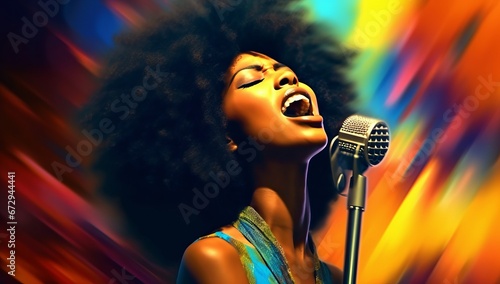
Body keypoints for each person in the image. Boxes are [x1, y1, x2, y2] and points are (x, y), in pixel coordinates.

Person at [80, 0, 355, 283]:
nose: (287, 77)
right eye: (250, 80)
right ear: (225, 136)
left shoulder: (335, 277)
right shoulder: (215, 258)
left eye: (286, 70)